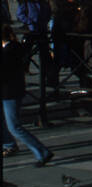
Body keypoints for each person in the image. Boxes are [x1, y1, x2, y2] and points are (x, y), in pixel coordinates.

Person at [1, 25, 53, 166]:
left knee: (14, 127)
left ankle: (42, 152)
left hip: (9, 93)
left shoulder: (8, 52)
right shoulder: (13, 48)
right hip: (11, 91)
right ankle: (8, 144)